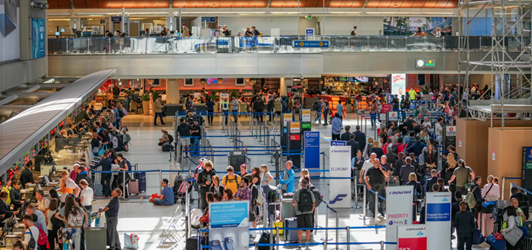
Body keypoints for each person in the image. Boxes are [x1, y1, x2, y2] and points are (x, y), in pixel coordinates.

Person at [292, 178, 315, 246]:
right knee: (308, 228)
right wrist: (312, 210)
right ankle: (307, 242)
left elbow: (293, 201)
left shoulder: (297, 192)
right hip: (308, 212)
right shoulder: (310, 192)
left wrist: (295, 205)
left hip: (299, 212)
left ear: (301, 184)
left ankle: (300, 242)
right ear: (307, 185)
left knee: (300, 228)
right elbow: (313, 202)